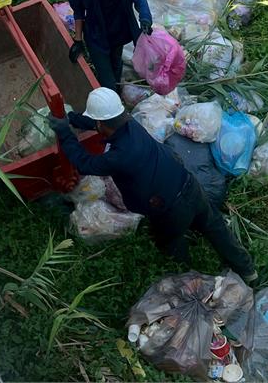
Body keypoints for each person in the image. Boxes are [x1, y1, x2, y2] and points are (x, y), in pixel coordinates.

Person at [51, 87, 257, 283]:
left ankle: (188, 282)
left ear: (102, 123)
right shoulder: (130, 124)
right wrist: (71, 119)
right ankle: (247, 269)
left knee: (171, 243)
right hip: (189, 185)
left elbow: (83, 162)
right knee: (214, 226)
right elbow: (99, 123)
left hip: (169, 208)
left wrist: (64, 132)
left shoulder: (120, 156)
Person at [68, 0, 152, 93]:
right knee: (107, 80)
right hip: (96, 35)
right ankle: (111, 97)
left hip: (118, 31)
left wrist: (145, 17)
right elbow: (79, 11)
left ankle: (117, 91)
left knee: (116, 63)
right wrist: (78, 40)